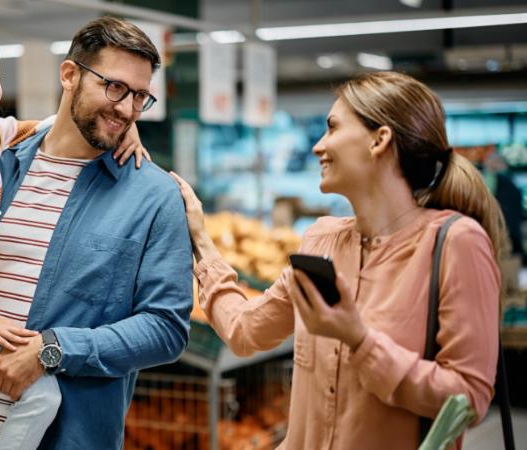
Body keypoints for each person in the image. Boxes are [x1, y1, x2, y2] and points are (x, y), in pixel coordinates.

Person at [171, 71, 506, 449]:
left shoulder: (456, 243)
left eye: (332, 128)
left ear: (379, 140)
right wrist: (200, 239)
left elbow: (468, 400)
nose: (318, 146)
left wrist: (359, 340)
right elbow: (246, 331)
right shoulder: (321, 242)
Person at [0, 17, 192, 450]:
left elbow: (166, 329)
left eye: (139, 96)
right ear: (70, 74)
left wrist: (51, 351)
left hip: (67, 436)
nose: (127, 109)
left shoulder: (154, 196)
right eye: (115, 88)